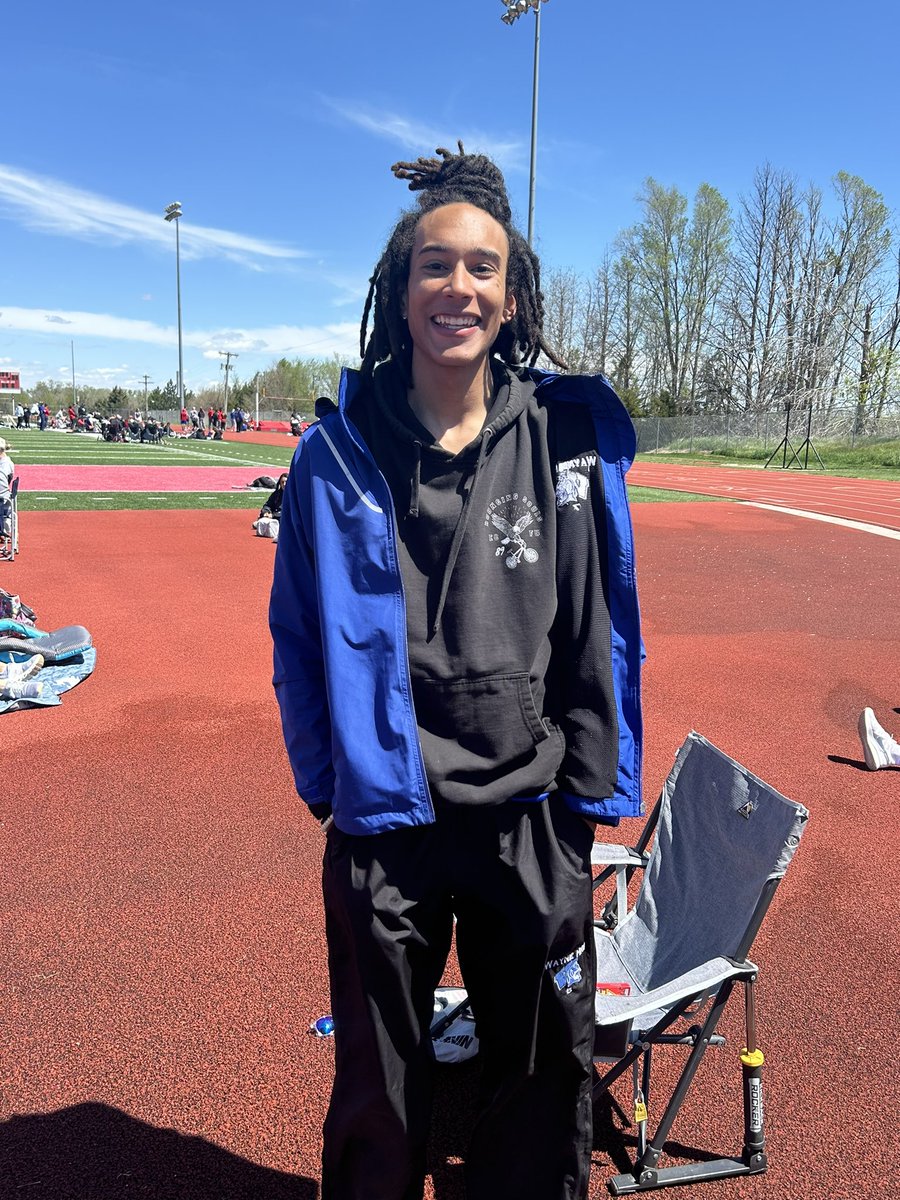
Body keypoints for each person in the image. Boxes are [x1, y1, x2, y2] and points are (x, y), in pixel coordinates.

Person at [269, 144, 643, 1200]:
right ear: (399, 292)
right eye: (435, 266)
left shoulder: (565, 440)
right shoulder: (331, 454)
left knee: (537, 1087)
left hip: (527, 811)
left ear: (513, 297)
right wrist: (323, 779)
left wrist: (583, 793)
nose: (458, 288)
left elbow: (594, 623)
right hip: (388, 822)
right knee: (380, 1096)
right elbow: (296, 633)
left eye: (482, 269)